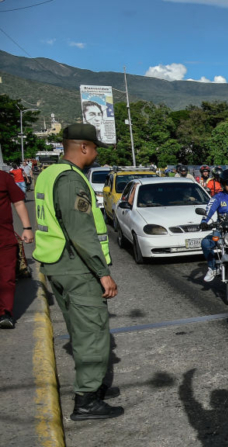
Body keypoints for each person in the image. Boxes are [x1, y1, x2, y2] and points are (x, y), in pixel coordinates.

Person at [33, 123, 122, 420]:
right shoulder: (72, 180)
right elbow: (81, 232)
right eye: (95, 148)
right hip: (77, 268)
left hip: (57, 265)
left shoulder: (48, 174)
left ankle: (92, 387)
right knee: (92, 333)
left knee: (80, 330)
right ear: (83, 147)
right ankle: (86, 400)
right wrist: (102, 273)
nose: (96, 154)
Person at [1, 170, 33, 328]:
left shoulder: (3, 177)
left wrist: (27, 227)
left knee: (6, 277)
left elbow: (19, 202)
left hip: (3, 238)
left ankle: (5, 313)